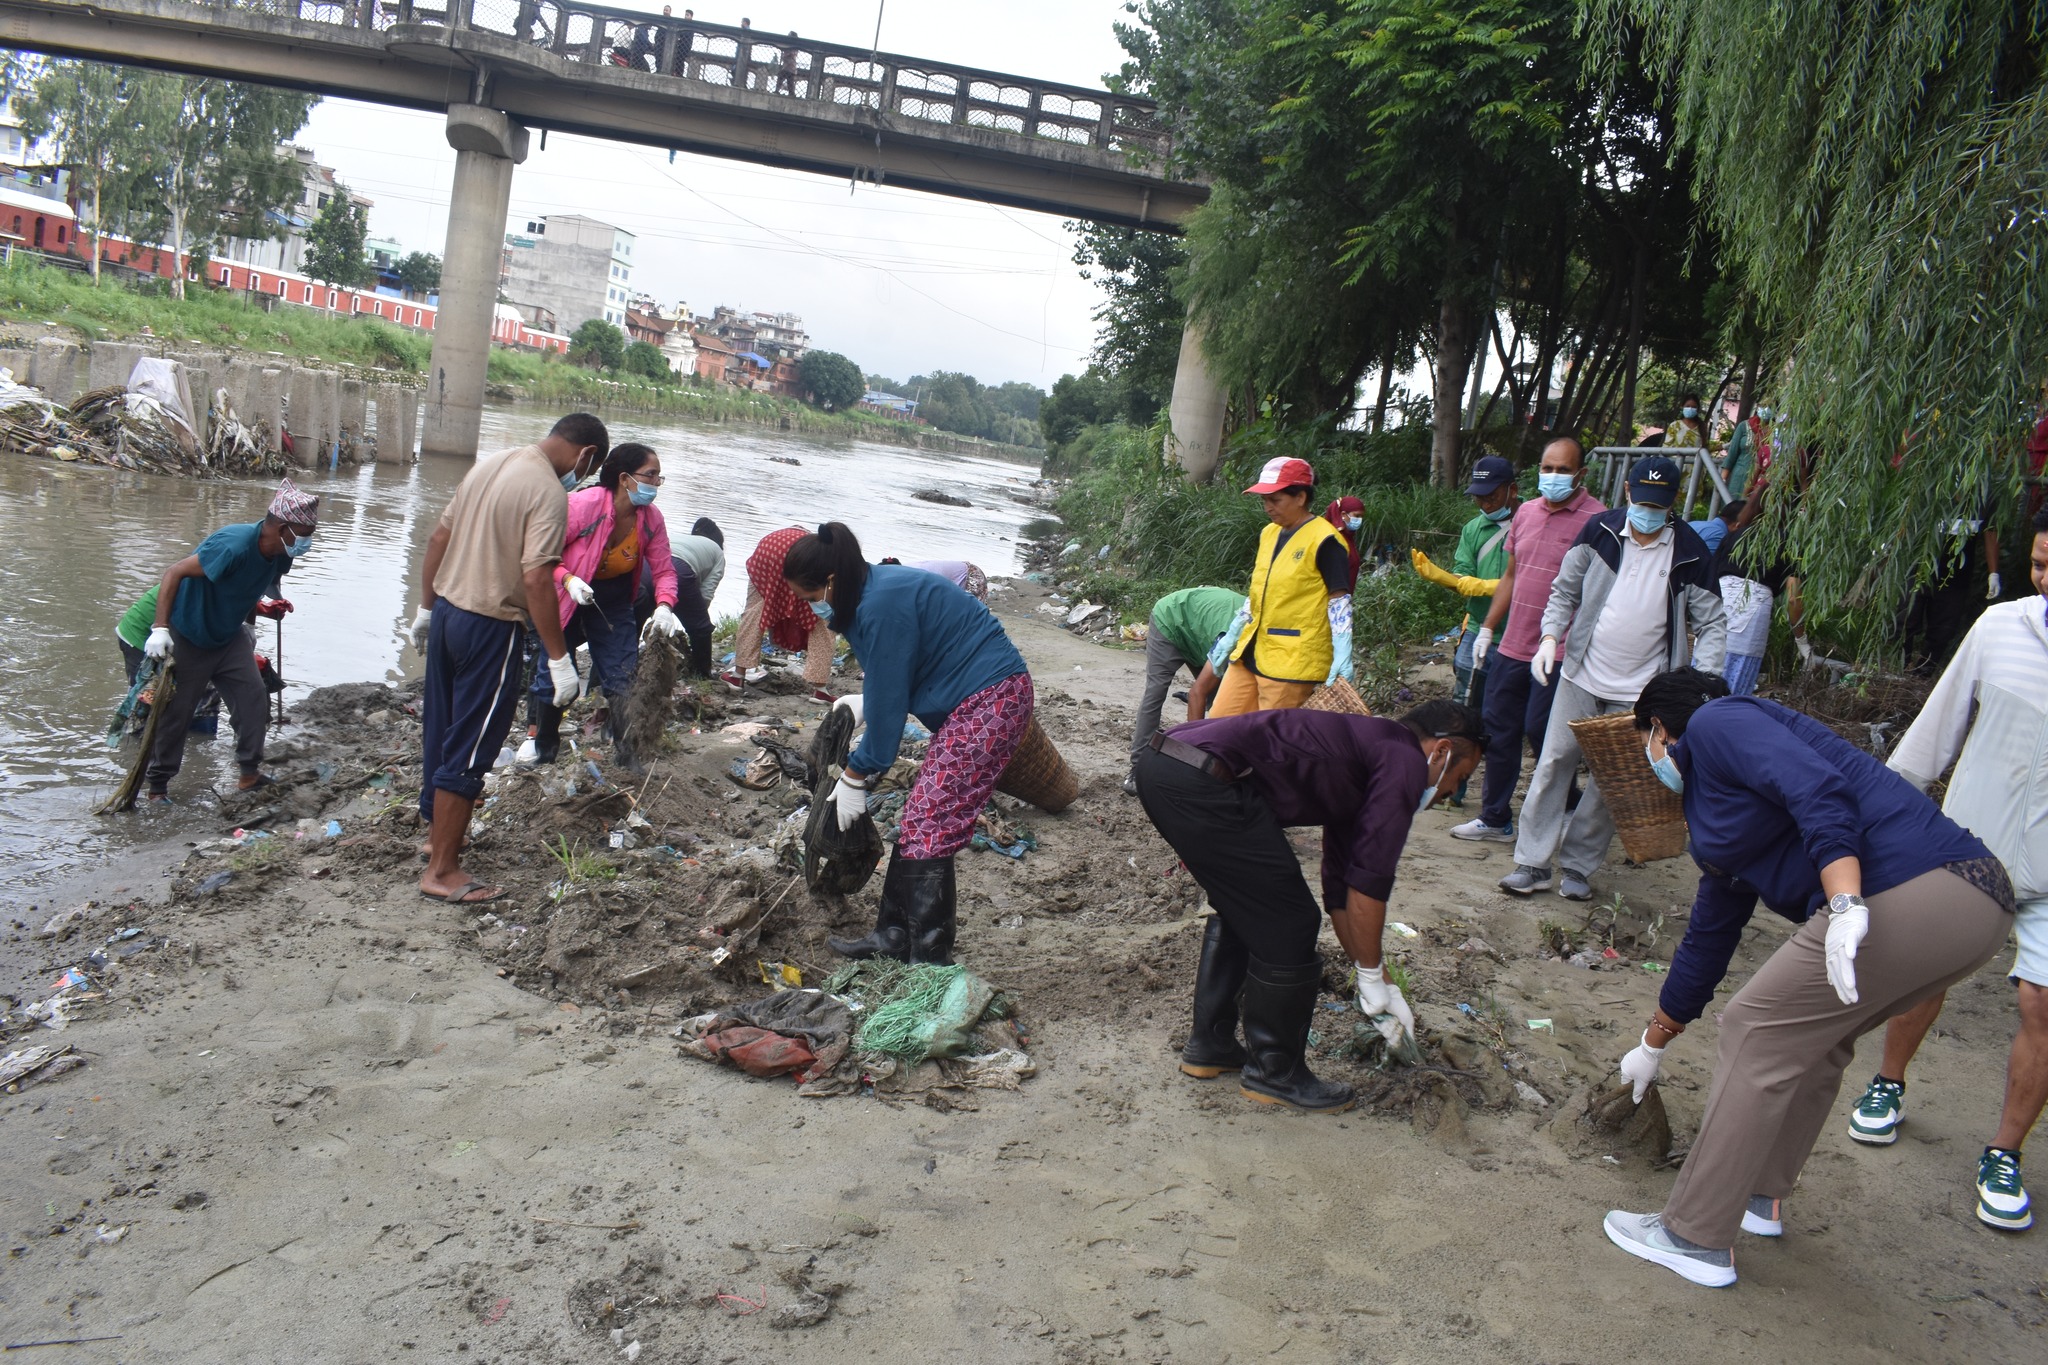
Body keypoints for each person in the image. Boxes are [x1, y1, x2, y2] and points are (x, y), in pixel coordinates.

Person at [1601, 669, 2015, 1287]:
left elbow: (1816, 787)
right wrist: (1652, 1042)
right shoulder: (1720, 813)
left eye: (1648, 741)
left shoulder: (1719, 721)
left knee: (1755, 1025)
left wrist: (1845, 902)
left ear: (1659, 728)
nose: (1651, 757)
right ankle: (1759, 1197)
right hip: (1973, 912)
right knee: (1816, 1039)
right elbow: (1708, 938)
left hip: (1916, 889)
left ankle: (1692, 1235)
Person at [1839, 509, 2048, 1231]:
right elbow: (1939, 724)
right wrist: (1888, 810)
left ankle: (2004, 1154)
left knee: (2040, 1007)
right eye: (2042, 565)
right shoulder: (2001, 629)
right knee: (1927, 972)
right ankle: (1887, 1082)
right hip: (1970, 849)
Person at [1133, 701, 1485, 1113]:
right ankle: (1275, 1073)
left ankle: (1212, 1046)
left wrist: (1381, 982)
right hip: (1200, 777)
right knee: (1291, 921)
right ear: (1441, 751)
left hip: (1169, 764)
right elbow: (1370, 884)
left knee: (1248, 908)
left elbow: (1341, 886)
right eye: (1459, 779)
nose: (1448, 795)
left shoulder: (1373, 752)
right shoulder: (1405, 761)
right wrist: (1369, 976)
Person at [794, 523, 1033, 967]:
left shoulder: (880, 604)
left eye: (811, 598)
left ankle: (929, 957)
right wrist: (870, 701)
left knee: (932, 819)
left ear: (830, 581)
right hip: (975, 696)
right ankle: (894, 934)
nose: (814, 609)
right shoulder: (871, 593)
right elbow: (895, 677)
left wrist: (856, 775)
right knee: (924, 813)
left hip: (990, 699)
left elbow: (888, 719)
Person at [1498, 456, 1726, 901]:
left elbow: (1713, 623)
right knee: (1553, 763)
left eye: (1658, 507)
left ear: (1673, 502)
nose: (1648, 514)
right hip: (1583, 672)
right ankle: (1532, 862)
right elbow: (1565, 590)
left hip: (1643, 690)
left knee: (1609, 781)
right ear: (1626, 493)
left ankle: (1579, 867)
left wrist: (1704, 681)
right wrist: (1549, 638)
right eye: (1642, 503)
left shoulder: (1691, 551)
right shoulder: (1599, 532)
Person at [409, 413, 608, 905]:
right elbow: (538, 576)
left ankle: (437, 839)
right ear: (586, 455)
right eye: (589, 468)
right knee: (474, 743)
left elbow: (438, 538)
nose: (581, 478)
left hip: (449, 613)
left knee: (443, 729)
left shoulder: (492, 463)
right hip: (490, 624)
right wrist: (559, 659)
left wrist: (424, 609)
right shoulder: (547, 491)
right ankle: (443, 871)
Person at [1458, 438, 1606, 844]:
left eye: (1562, 470)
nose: (1553, 476)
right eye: (1547, 468)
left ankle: (1563, 808)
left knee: (1545, 735)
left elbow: (1600, 591)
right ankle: (1494, 818)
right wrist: (1488, 627)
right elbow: (1511, 575)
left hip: (1560, 651)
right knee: (1499, 731)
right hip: (1513, 645)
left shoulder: (1598, 521)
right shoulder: (1525, 512)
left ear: (1581, 474)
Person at [138, 480, 315, 802]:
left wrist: (255, 622)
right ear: (283, 528)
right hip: (191, 635)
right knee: (177, 714)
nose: (307, 541)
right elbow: (173, 572)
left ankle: (249, 773)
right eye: (304, 534)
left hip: (228, 636)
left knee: (253, 699)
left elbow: (248, 587)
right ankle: (157, 787)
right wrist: (160, 628)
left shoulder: (281, 554)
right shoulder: (232, 545)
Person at [519, 443, 682, 771]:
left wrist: (664, 606)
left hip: (614, 599)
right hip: (565, 596)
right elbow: (538, 554)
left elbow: (664, 570)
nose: (656, 484)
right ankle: (545, 749)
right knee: (555, 672)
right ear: (625, 478)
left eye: (659, 477)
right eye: (650, 475)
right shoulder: (583, 505)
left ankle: (628, 755)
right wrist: (567, 579)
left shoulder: (650, 520)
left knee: (622, 674)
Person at [1210, 457, 1354, 717]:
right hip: (1251, 649)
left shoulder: (1325, 541)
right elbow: (1259, 591)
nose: (1267, 507)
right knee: (1219, 725)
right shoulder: (1269, 534)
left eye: (1275, 500)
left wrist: (1343, 650)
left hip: (1292, 662)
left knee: (1269, 742)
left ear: (1300, 497)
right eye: (1264, 501)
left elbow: (1339, 599)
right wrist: (1233, 634)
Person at [1411, 453, 1517, 739]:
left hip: (1518, 634)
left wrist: (1489, 586)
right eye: (1478, 498)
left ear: (1512, 490)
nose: (1484, 504)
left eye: (1492, 496)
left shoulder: (1530, 523)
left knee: (1507, 713)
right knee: (1463, 709)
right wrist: (1444, 578)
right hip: (1476, 628)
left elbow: (1535, 579)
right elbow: (1463, 577)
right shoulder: (1473, 529)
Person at [1124, 586, 1248, 794]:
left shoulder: (1268, 644)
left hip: (1202, 632)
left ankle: (1223, 764)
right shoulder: (1236, 637)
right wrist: (1197, 760)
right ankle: (1137, 767)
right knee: (1156, 692)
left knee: (1219, 700)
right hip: (1171, 619)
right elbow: (1196, 694)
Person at [725, 526, 837, 701]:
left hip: (767, 554)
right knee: (821, 620)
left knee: (754, 611)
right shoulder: (820, 553)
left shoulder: (783, 537)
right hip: (802, 562)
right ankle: (820, 688)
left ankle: (737, 675)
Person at [1902, 500, 2002, 672]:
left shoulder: (1983, 496)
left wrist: (1994, 573)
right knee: (1906, 620)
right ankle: (1897, 668)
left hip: (1957, 576)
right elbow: (1907, 517)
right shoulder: (1933, 482)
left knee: (1942, 629)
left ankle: (1923, 675)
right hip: (1920, 568)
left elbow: (1990, 533)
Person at [635, 514, 723, 679]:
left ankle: (627, 669)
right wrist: (694, 615)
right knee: (701, 629)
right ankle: (701, 674)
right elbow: (706, 594)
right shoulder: (717, 552)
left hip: (646, 568)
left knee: (634, 621)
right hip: (678, 571)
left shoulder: (682, 538)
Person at [1718, 404, 1773, 499]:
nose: (1765, 409)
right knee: (1732, 507)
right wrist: (1721, 480)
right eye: (1763, 405)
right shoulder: (1744, 426)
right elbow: (1732, 454)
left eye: (1769, 406)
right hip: (1739, 477)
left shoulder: (1777, 431)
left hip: (1762, 481)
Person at [884, 559, 988, 602]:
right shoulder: (905, 571)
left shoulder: (914, 575)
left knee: (972, 614)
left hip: (971, 576)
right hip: (953, 578)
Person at [1325, 495, 1367, 591]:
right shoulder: (1335, 540)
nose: (1359, 520)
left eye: (1361, 516)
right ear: (1343, 515)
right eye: (1356, 516)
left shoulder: (1348, 538)